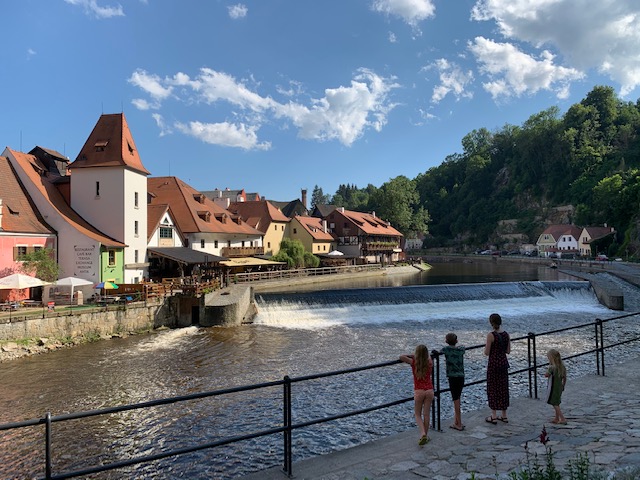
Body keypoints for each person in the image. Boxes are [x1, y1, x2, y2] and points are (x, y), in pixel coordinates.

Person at [400, 344, 434, 446]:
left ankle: (422, 433)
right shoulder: (429, 362)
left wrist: (412, 355)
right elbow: (429, 358)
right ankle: (426, 436)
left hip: (419, 391)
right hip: (429, 390)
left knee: (417, 414)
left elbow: (401, 357)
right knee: (426, 414)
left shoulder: (414, 362)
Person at [484, 313, 510, 424]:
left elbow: (486, 352)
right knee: (503, 388)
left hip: (494, 364)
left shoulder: (491, 335)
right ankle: (504, 415)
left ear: (491, 323)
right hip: (503, 363)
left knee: (493, 388)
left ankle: (493, 415)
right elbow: (508, 350)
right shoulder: (506, 334)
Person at [440, 332, 466, 431]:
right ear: (456, 341)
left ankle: (459, 424)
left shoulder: (446, 350)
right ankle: (456, 421)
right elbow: (463, 347)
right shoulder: (460, 350)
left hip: (452, 377)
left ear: (446, 341)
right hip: (461, 376)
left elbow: (440, 351)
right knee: (458, 397)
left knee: (456, 400)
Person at [545, 349, 567, 425]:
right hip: (559, 387)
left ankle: (562, 418)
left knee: (554, 403)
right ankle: (556, 418)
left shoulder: (552, 368)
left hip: (553, 388)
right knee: (557, 402)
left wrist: (547, 371)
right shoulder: (562, 367)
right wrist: (563, 386)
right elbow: (565, 378)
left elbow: (546, 375)